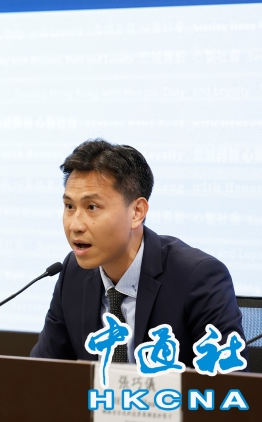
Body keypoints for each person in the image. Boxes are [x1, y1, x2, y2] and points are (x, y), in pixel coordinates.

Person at [31, 139, 244, 367]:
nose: (75, 225)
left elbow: (228, 382)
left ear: (137, 212)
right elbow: (41, 374)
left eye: (92, 207)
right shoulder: (73, 273)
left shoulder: (197, 277)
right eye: (69, 207)